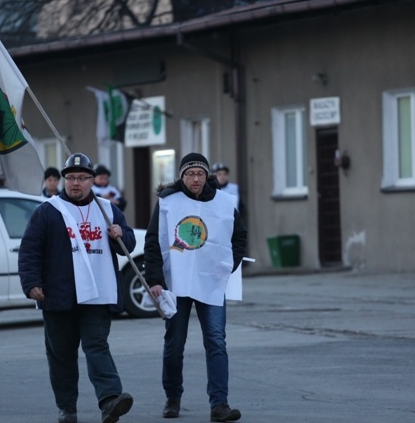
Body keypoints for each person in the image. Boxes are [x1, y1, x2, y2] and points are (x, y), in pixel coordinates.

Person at [19, 152, 135, 423]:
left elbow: (127, 245)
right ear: (63, 180)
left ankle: (110, 400)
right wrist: (31, 283)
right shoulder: (48, 211)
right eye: (70, 178)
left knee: (97, 346)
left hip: (98, 293)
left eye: (82, 178)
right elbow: (30, 250)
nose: (75, 183)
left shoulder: (108, 210)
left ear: (92, 180)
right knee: (61, 354)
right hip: (59, 294)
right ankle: (67, 407)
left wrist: (120, 235)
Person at [144, 153, 247, 422]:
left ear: (207, 175)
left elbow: (239, 235)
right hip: (176, 282)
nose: (195, 179)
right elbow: (154, 241)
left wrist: (228, 265)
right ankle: (172, 398)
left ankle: (219, 404)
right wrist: (155, 279)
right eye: (190, 174)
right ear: (182, 176)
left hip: (210, 282)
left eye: (200, 173)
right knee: (174, 343)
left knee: (216, 341)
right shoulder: (168, 202)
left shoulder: (223, 203)